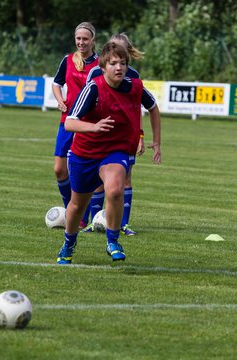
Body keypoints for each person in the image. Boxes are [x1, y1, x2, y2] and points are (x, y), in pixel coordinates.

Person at [56, 42, 161, 265]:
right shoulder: (93, 88)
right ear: (103, 67)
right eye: (113, 63)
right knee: (76, 206)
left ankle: (112, 241)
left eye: (122, 63)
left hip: (115, 151)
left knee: (114, 190)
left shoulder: (135, 86)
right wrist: (93, 127)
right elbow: (71, 124)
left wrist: (156, 141)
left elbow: (153, 107)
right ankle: (69, 243)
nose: (118, 67)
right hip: (85, 153)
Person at [82, 33, 145, 235]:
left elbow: (138, 109)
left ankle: (122, 224)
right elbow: (86, 107)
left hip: (124, 138)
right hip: (99, 137)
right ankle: (95, 221)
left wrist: (140, 136)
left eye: (121, 52)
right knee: (99, 182)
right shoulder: (95, 74)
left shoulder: (133, 77)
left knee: (124, 179)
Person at [52, 22, 98, 228]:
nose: (81, 42)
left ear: (93, 40)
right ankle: (73, 210)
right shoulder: (68, 60)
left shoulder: (100, 64)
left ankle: (87, 218)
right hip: (67, 122)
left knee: (89, 173)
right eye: (78, 38)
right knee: (59, 170)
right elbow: (56, 83)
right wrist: (59, 99)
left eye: (85, 39)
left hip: (88, 124)